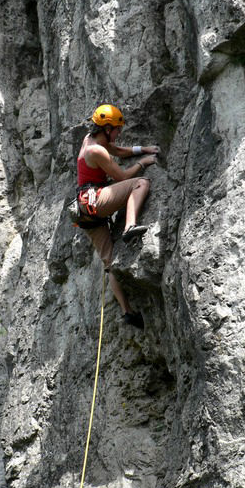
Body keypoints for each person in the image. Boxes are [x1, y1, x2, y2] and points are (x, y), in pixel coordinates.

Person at [76, 103, 159, 329]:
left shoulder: (91, 141)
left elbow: (117, 150)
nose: (119, 133)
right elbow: (122, 177)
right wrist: (143, 163)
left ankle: (127, 312)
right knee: (140, 183)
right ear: (106, 129)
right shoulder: (96, 150)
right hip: (95, 201)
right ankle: (129, 226)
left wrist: (143, 149)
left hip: (85, 211)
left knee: (110, 264)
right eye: (116, 129)